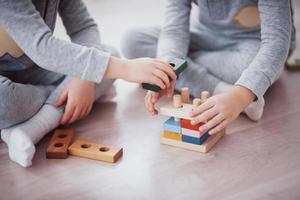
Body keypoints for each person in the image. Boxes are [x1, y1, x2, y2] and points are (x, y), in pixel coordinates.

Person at [0, 0, 176, 167]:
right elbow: (43, 47)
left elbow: (83, 27)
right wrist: (126, 69)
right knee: (4, 101)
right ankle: (45, 114)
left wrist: (83, 78)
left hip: (35, 67)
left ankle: (32, 126)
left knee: (108, 54)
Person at [122, 0, 294, 135]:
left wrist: (241, 95)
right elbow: (174, 30)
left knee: (249, 66)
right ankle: (221, 88)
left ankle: (191, 66)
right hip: (203, 36)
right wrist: (167, 69)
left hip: (251, 42)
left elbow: (276, 43)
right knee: (133, 40)